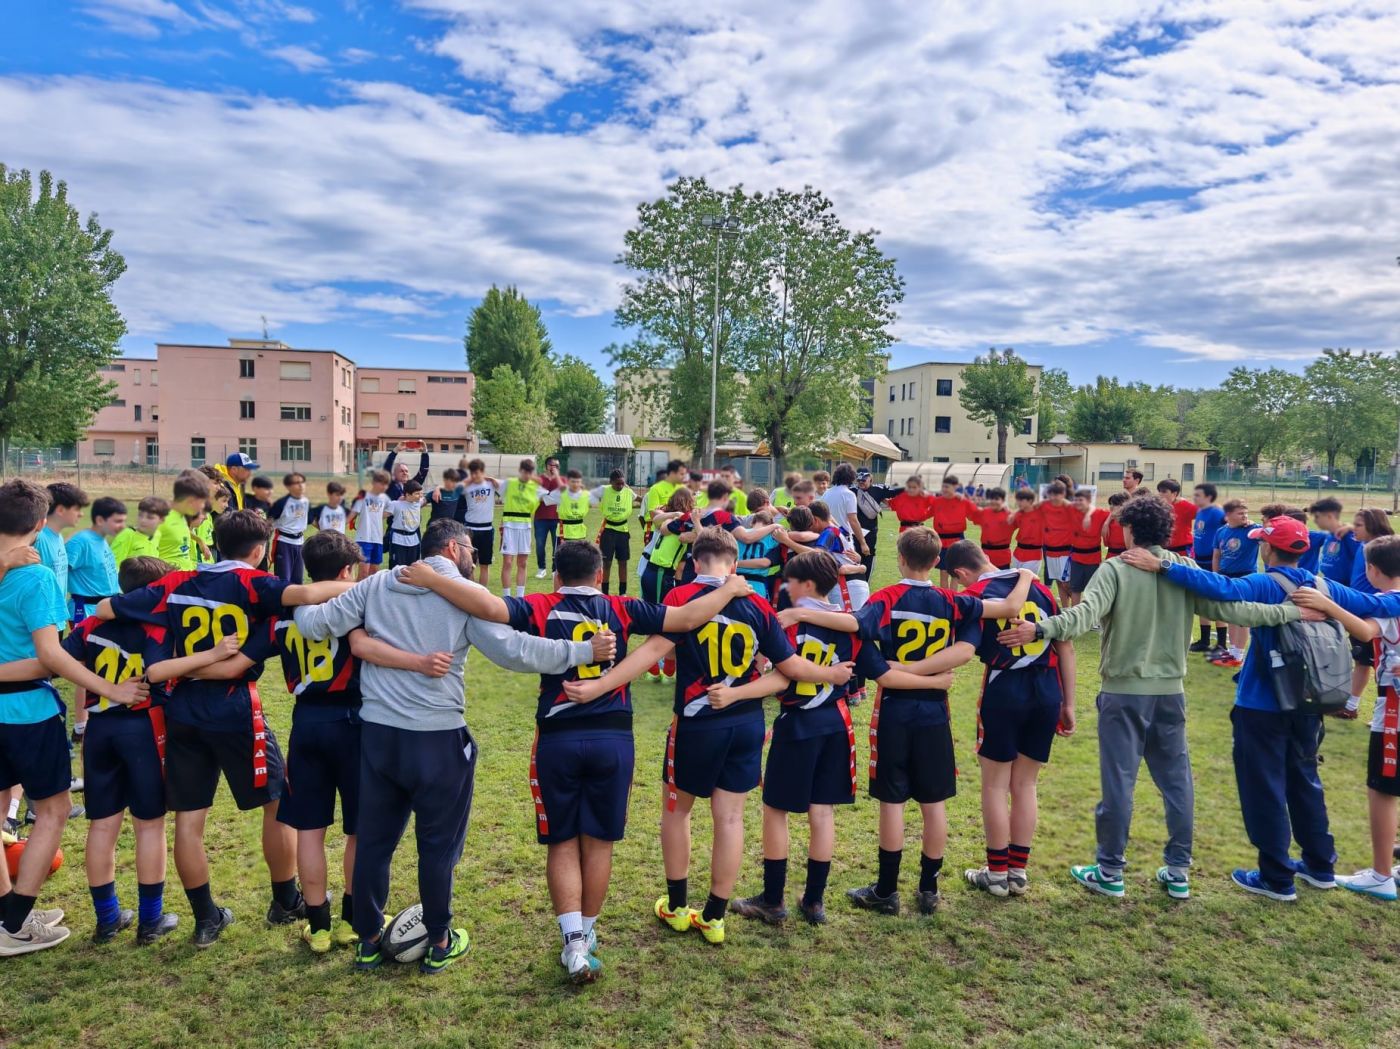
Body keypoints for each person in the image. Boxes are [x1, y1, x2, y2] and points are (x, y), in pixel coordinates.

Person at [403, 539, 748, 980]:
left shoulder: (543, 602)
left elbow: (487, 606)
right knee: (598, 842)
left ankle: (573, 943)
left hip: (557, 739)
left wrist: (434, 578)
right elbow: (686, 618)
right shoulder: (623, 607)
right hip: (613, 739)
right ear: (600, 576)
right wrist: (728, 588)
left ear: (560, 577)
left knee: (563, 841)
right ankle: (587, 933)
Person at [291, 518, 616, 975]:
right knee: (438, 848)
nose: (475, 557)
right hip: (438, 740)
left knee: (374, 844)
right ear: (452, 547)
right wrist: (582, 653)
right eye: (470, 549)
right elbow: (515, 651)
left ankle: (367, 940)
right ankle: (440, 940)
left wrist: (295, 599)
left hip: (379, 738)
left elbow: (316, 624)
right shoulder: (459, 594)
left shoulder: (378, 583)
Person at [999, 498, 1308, 902]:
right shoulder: (1186, 569)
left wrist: (1039, 629)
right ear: (1165, 532)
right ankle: (1178, 871)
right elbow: (1236, 610)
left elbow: (1082, 616)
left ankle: (1110, 870)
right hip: (1170, 695)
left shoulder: (1117, 568)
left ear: (1129, 530)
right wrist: (1291, 612)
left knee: (1119, 785)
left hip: (1123, 695)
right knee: (1177, 784)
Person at [561, 528, 854, 946]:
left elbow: (648, 654)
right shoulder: (756, 604)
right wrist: (830, 674)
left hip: (697, 725)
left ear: (695, 562)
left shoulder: (681, 598)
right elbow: (789, 668)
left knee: (677, 812)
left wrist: (599, 686)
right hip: (747, 725)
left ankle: (679, 907)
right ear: (733, 565)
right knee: (730, 818)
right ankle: (715, 915)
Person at [95, 510, 352, 948]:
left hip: (181, 709)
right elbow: (307, 592)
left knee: (189, 819)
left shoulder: (176, 583)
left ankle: (205, 919)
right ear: (260, 550)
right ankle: (285, 899)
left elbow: (104, 607)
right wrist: (368, 584)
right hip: (234, 707)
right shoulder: (252, 582)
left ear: (215, 543)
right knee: (276, 805)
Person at [775, 529, 1036, 915]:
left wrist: (799, 612)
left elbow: (852, 624)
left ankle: (886, 890)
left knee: (892, 802)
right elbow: (1006, 607)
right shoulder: (953, 599)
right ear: (936, 563)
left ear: (899, 557)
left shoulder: (887, 598)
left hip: (895, 706)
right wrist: (1026, 575)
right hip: (935, 709)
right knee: (934, 803)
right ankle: (929, 889)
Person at [712, 552, 954, 925]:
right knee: (821, 813)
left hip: (797, 725)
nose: (786, 589)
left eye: (791, 582)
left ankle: (773, 900)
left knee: (776, 810)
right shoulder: (849, 628)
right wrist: (935, 681)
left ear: (806, 585)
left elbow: (781, 677)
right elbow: (885, 676)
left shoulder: (787, 624)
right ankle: (814, 902)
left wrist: (736, 692)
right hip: (836, 727)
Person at [1118, 516, 1338, 902]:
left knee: (1264, 789)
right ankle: (1320, 866)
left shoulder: (1265, 582)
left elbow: (1223, 588)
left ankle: (1276, 878)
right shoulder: (1322, 586)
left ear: (1267, 549)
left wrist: (1165, 564)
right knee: (1305, 782)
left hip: (1262, 705)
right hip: (1309, 701)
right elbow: (1376, 604)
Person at [0, 479, 149, 956]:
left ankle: (6, 912)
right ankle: (15, 923)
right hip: (26, 713)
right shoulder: (36, 576)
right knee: (54, 810)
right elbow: (50, 657)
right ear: (40, 524)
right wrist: (109, 689)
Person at [62, 555, 197, 946]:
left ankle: (107, 920)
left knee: (102, 825)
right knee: (149, 825)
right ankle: (150, 921)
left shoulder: (91, 623)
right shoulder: (156, 626)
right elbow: (162, 673)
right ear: (155, 593)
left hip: (99, 730)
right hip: (143, 729)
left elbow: (64, 661)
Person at [943, 541, 1075, 898]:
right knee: (1026, 785)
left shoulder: (975, 593)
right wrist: (1070, 703)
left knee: (995, 785)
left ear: (961, 573)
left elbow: (966, 647)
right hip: (1048, 690)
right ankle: (1018, 873)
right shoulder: (1040, 587)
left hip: (1004, 690)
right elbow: (1065, 644)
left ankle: (997, 874)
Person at [1289, 535, 1400, 899]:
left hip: (1394, 713)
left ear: (1371, 569)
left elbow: (1366, 629)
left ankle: (1381, 875)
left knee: (1383, 789)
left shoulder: (1388, 603)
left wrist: (1327, 604)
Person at [1347, 508, 1396, 716]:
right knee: (1363, 659)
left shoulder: (1385, 552)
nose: (1353, 529)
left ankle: (1382, 708)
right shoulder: (1362, 546)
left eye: (1358, 525)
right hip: (1362, 610)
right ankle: (1352, 705)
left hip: (1376, 613)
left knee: (1380, 662)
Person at [1208, 500, 1260, 667]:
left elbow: (1268, 534)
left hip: (1245, 577)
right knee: (1231, 615)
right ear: (1228, 515)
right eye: (1240, 513)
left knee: (1242, 617)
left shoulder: (1252, 530)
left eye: (1246, 513)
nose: (1245, 516)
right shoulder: (1221, 532)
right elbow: (1217, 556)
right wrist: (1216, 577)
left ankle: (1239, 655)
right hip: (1226, 577)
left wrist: (1256, 525)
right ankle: (1232, 651)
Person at [66, 497, 124, 627]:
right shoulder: (80, 542)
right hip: (87, 612)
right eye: (117, 521)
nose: (122, 526)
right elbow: (57, 572)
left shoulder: (101, 540)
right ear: (100, 520)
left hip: (106, 609)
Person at [37, 483, 85, 630]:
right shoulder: (38, 539)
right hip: (42, 623)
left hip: (57, 620)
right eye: (77, 509)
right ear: (60, 510)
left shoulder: (57, 537)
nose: (81, 514)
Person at [1190, 483, 1227, 659]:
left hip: (1212, 563)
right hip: (1199, 561)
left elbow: (1230, 524)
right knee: (1202, 600)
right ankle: (1204, 640)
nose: (1194, 498)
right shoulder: (1201, 512)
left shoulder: (1217, 513)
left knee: (1215, 600)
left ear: (1209, 497)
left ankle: (1221, 644)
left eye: (1198, 495)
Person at [500, 459, 541, 597]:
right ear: (520, 471)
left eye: (530, 473)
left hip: (525, 526)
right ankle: (506, 597)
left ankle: (520, 597)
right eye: (525, 472)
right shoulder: (510, 483)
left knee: (522, 563)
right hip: (509, 525)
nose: (527, 475)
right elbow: (494, 484)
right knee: (507, 562)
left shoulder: (535, 487)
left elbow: (551, 491)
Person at [593, 470, 637, 596]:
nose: (620, 486)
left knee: (623, 562)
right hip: (608, 530)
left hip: (623, 531)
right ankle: (605, 592)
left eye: (622, 484)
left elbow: (640, 499)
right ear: (610, 482)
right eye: (617, 484)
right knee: (606, 563)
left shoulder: (628, 492)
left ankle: (622, 592)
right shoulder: (604, 490)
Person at [155, 471, 210, 572]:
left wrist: (199, 540)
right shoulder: (161, 518)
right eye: (202, 502)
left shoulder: (182, 515)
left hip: (185, 577)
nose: (203, 506)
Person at [930, 476, 979, 588]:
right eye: (943, 487)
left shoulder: (963, 502)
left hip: (957, 541)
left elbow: (975, 516)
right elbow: (924, 513)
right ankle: (945, 600)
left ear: (955, 487)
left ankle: (953, 600)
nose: (944, 489)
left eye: (947, 487)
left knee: (956, 574)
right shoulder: (937, 502)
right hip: (942, 541)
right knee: (943, 573)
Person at [1038, 482, 1081, 602]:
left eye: (1056, 494)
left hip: (1065, 552)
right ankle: (1065, 611)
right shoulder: (1044, 506)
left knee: (1067, 583)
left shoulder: (1070, 508)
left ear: (1063, 494)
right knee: (1058, 582)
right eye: (1051, 494)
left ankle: (1077, 610)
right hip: (1050, 552)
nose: (1053, 497)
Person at [460, 460, 499, 589]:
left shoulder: (491, 484)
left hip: (486, 529)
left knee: (484, 564)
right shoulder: (467, 486)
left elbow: (501, 485)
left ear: (482, 472)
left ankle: (482, 591)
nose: (475, 476)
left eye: (477, 473)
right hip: (470, 529)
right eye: (472, 473)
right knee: (469, 564)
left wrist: (490, 478)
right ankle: (471, 591)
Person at [854, 469, 898, 578]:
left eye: (864, 480)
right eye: (859, 480)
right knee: (854, 557)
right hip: (854, 531)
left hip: (870, 532)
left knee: (868, 557)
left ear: (870, 478)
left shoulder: (878, 490)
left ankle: (866, 583)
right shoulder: (852, 491)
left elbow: (897, 491)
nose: (861, 482)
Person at [270, 472, 311, 584]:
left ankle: (296, 602)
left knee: (297, 580)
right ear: (288, 486)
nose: (301, 485)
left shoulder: (305, 501)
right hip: (284, 542)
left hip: (300, 543)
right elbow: (269, 523)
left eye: (302, 482)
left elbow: (312, 520)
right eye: (296, 483)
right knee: (284, 580)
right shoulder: (281, 503)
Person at [350, 470, 391, 578]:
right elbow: (353, 513)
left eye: (386, 484)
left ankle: (370, 595)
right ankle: (357, 594)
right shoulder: (363, 496)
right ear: (373, 482)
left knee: (374, 573)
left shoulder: (385, 498)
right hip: (363, 539)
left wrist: (377, 516)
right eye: (381, 483)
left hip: (377, 539)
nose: (384, 486)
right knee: (363, 573)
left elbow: (389, 511)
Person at [1309, 497, 1357, 585]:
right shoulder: (1329, 535)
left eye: (1317, 516)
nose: (1315, 521)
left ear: (1329, 516)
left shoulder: (1349, 536)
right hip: (1330, 585)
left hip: (1344, 589)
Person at [110, 496, 167, 568]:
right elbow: (112, 567)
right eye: (140, 515)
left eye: (150, 517)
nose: (143, 520)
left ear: (162, 520)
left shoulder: (157, 535)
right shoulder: (126, 535)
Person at [825, 465, 866, 563]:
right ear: (851, 477)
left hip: (826, 539)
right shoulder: (849, 494)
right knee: (851, 570)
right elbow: (853, 520)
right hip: (842, 540)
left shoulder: (826, 494)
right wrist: (863, 543)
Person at [541, 469, 593, 546]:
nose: (575, 484)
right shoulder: (561, 494)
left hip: (580, 534)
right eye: (573, 482)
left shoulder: (586, 495)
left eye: (578, 482)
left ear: (581, 482)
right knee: (562, 557)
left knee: (579, 557)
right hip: (564, 533)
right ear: (568, 481)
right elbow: (544, 499)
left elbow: (595, 503)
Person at [534, 457, 563, 579]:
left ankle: (554, 569)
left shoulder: (561, 481)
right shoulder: (539, 479)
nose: (554, 468)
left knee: (557, 545)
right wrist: (550, 496)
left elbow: (563, 494)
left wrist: (547, 495)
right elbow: (537, 496)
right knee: (540, 544)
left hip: (557, 517)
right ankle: (541, 568)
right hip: (540, 517)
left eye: (556, 465)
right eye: (551, 465)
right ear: (546, 466)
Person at [641, 460, 685, 542]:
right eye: (681, 474)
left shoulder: (684, 488)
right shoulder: (655, 489)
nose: (684, 477)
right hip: (658, 531)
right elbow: (653, 514)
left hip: (679, 530)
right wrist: (674, 514)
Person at [386, 481, 425, 569]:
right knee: (397, 568)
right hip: (398, 540)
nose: (420, 496)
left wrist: (438, 489)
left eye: (421, 493)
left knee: (413, 568)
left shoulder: (418, 503)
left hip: (414, 541)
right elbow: (382, 515)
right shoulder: (396, 504)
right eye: (417, 494)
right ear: (407, 495)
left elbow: (429, 496)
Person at [977, 488, 1014, 570]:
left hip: (1003, 557)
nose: (993, 501)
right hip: (985, 557)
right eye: (992, 499)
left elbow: (1025, 516)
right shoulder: (984, 512)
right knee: (986, 581)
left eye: (997, 499)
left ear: (1003, 500)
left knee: (1003, 581)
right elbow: (970, 512)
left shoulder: (1010, 515)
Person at [1157, 479, 1196, 557]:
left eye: (1164, 491)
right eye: (1159, 491)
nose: (1160, 494)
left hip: (1182, 550)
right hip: (1164, 551)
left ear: (1174, 494)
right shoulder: (1158, 507)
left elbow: (1204, 514)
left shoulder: (1185, 506)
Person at [1010, 488, 1044, 576]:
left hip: (1033, 555)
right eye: (1017, 500)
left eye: (1021, 500)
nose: (1018, 502)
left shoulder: (1041, 512)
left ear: (1030, 501)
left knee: (1028, 582)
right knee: (1015, 580)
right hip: (1017, 553)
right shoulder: (1018, 514)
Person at [1104, 492, 1128, 558]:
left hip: (1125, 556)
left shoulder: (1128, 521)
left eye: (1115, 504)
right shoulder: (1109, 521)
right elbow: (1105, 543)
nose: (1111, 506)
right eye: (1111, 504)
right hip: (1111, 555)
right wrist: (1107, 521)